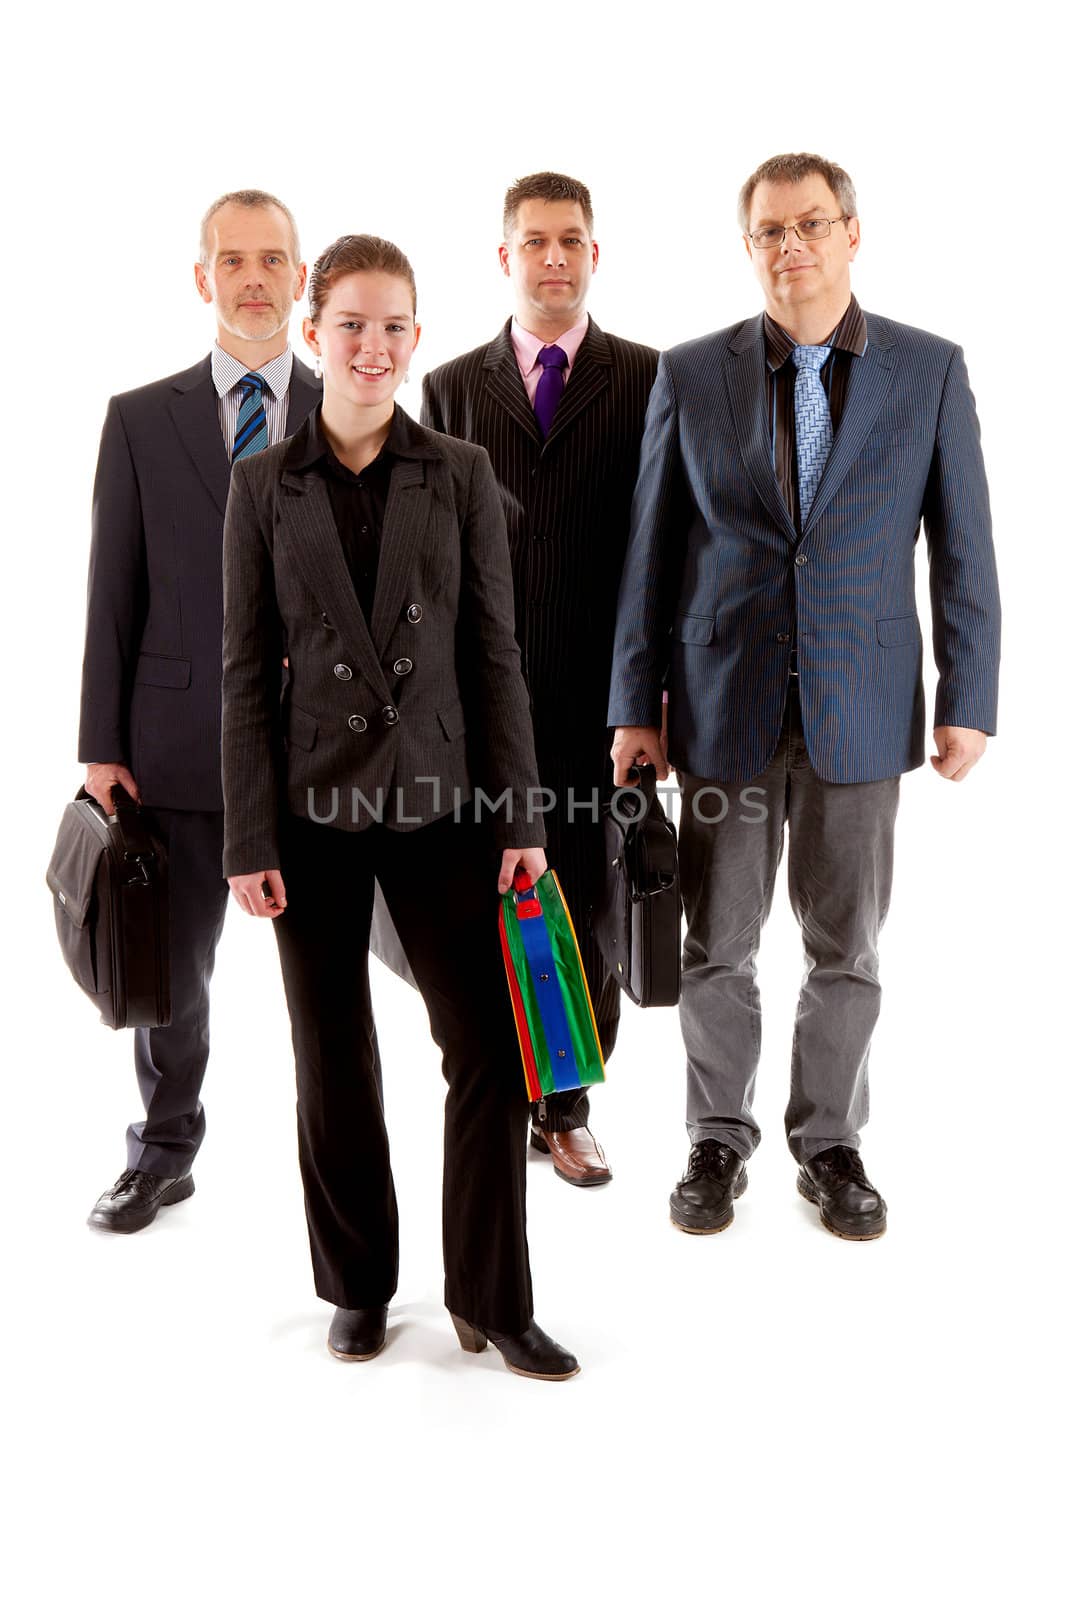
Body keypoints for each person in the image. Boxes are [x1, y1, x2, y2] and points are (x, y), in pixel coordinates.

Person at [609, 152, 1000, 1241]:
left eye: (810, 225)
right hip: (719, 704)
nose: (791, 247)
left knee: (846, 945)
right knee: (715, 941)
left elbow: (961, 545)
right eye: (769, 231)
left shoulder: (926, 371)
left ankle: (828, 1142)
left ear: (850, 234)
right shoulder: (688, 375)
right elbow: (650, 553)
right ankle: (714, 1136)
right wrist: (631, 707)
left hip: (864, 707)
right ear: (748, 249)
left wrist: (968, 692)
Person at [222, 233, 579, 1378]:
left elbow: (494, 657)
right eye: (351, 324)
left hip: (442, 804)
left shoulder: (462, 473)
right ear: (313, 334)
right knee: (331, 1055)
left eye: (393, 326)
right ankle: (359, 1285)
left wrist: (521, 822)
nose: (372, 346)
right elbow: (242, 669)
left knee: (484, 1047)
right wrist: (245, 835)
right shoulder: (260, 486)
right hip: (312, 810)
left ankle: (489, 1293)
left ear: (415, 339)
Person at [79, 189, 320, 1234]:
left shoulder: (349, 412)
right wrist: (101, 745)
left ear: (301, 278)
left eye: (273, 259)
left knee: (328, 983)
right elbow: (110, 588)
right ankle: (164, 1147)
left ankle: (339, 1160)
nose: (254, 278)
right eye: (234, 260)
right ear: (203, 277)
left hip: (316, 755)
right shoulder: (139, 420)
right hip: (172, 746)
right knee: (168, 973)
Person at [417, 171, 659, 1187]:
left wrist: (650, 699)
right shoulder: (452, 387)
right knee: (490, 901)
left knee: (588, 908)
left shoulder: (648, 379)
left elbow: (663, 548)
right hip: (479, 700)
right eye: (533, 240)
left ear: (593, 256)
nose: (551, 256)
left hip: (600, 701)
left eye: (570, 240)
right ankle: (505, 1091)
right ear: (503, 257)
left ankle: (564, 1104)